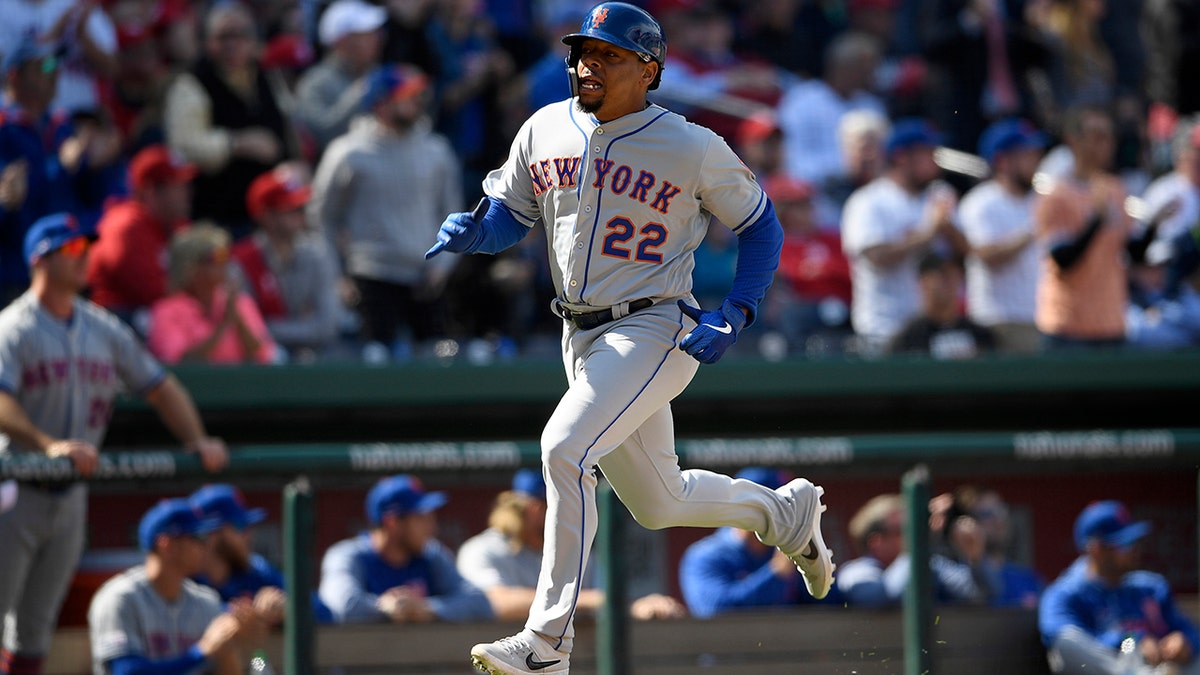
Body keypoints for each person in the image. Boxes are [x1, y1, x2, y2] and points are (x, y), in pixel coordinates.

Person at [424, 4, 833, 673]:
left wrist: (736, 311)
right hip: (578, 332)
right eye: (584, 51)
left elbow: (762, 226)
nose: (588, 63)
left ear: (649, 68)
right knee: (658, 500)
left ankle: (548, 643)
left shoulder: (691, 144)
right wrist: (478, 233)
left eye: (609, 54)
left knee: (563, 448)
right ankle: (784, 514)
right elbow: (510, 215)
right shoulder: (544, 127)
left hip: (654, 322)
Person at [0, 213, 228, 675]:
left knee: (33, 631)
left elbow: (160, 386)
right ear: (40, 259)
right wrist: (48, 445)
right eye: (71, 249)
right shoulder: (13, 327)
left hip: (71, 494)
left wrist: (198, 439)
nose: (84, 256)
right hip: (14, 484)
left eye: (86, 247)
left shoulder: (102, 328)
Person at [309, 63, 462, 362]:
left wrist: (443, 266)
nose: (417, 102)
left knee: (437, 361)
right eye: (407, 95)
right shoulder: (348, 152)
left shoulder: (436, 150)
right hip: (370, 278)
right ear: (381, 102)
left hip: (426, 277)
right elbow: (321, 218)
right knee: (373, 361)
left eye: (419, 94)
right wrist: (336, 276)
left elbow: (454, 214)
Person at [457, 468, 686, 623]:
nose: (575, 516)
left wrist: (635, 607)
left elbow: (606, 600)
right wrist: (592, 600)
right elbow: (494, 603)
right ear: (536, 509)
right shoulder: (480, 550)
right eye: (565, 507)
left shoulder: (576, 550)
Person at [87, 498, 265, 675]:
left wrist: (238, 648)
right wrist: (200, 652)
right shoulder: (120, 599)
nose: (206, 545)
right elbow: (126, 671)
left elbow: (258, 663)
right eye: (198, 537)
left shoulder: (206, 602)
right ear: (167, 544)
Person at [163, 2, 293, 236]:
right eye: (223, 37)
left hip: (269, 215)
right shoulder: (192, 83)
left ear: (254, 41)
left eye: (240, 35)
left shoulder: (267, 76)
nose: (232, 44)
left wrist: (295, 161)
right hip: (219, 218)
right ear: (208, 42)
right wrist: (235, 144)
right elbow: (182, 147)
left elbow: (286, 127)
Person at [840, 118, 968, 355]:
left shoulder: (940, 195)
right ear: (901, 157)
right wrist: (929, 232)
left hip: (935, 328)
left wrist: (948, 229)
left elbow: (967, 255)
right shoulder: (868, 201)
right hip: (884, 328)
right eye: (926, 153)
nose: (935, 160)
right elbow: (876, 256)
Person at [1038, 500, 1200, 674]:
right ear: (1096, 550)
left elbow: (1189, 631)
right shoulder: (1065, 593)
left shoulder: (1151, 587)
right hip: (1115, 669)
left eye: (1135, 542)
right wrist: (1131, 640)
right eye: (1125, 545)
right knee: (1066, 644)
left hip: (1163, 668)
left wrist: (1185, 642)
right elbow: (1064, 642)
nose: (1134, 551)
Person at [1033, 105, 1144, 351]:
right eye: (1097, 136)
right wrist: (1096, 220)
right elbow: (1063, 259)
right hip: (1068, 329)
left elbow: (1134, 252)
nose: (1106, 144)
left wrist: (1156, 225)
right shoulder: (1055, 196)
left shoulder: (1115, 189)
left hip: (1111, 324)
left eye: (1109, 136)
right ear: (1073, 140)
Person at [318, 474, 492, 624]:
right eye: (421, 519)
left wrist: (426, 608)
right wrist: (384, 608)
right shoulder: (347, 555)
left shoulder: (431, 554)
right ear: (392, 523)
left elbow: (480, 603)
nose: (432, 527)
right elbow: (340, 606)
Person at [679, 467, 842, 618]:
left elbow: (830, 603)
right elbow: (715, 611)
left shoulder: (791, 546)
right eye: (779, 509)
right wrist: (776, 574)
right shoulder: (705, 554)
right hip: (728, 648)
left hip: (787, 646)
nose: (786, 517)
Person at [231, 165, 343, 362]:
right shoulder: (241, 259)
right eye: (290, 209)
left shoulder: (317, 254)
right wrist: (303, 325)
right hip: (257, 364)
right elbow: (246, 329)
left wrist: (271, 327)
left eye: (301, 207)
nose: (300, 214)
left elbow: (327, 325)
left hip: (313, 359)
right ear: (265, 215)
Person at [956, 117, 1047, 354]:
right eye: (1026, 154)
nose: (1035, 161)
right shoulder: (981, 203)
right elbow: (987, 255)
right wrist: (1033, 230)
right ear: (1003, 161)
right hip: (1000, 321)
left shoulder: (1040, 201)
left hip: (1043, 317)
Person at [86, 144, 197, 329]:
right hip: (116, 323)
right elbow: (153, 294)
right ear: (150, 191)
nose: (187, 193)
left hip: (151, 320)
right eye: (177, 186)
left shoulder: (174, 225)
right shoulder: (126, 227)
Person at [147, 223, 278, 365]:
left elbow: (263, 356)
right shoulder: (165, 311)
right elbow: (179, 361)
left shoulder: (241, 303)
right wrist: (223, 326)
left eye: (227, 256)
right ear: (191, 267)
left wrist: (237, 320)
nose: (226, 264)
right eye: (217, 258)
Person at [836, 492, 990, 607]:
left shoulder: (930, 565)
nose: (912, 535)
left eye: (914, 529)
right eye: (905, 529)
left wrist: (974, 558)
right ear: (877, 542)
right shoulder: (855, 572)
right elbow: (885, 599)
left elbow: (979, 594)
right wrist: (919, 545)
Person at [295, 0, 386, 153]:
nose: (378, 39)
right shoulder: (314, 83)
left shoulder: (380, 74)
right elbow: (321, 136)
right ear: (342, 42)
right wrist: (360, 94)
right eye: (367, 34)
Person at [886, 250, 997, 359]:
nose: (951, 279)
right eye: (942, 274)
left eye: (956, 272)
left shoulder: (981, 335)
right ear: (923, 282)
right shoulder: (908, 339)